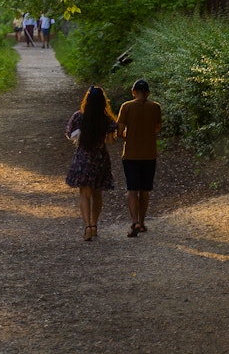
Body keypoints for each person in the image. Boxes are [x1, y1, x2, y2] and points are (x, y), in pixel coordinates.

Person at [65, 85, 118, 241]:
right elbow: (111, 141)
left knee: (84, 194)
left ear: (87, 100)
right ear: (103, 102)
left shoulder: (78, 117)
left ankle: (87, 226)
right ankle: (94, 224)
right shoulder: (106, 119)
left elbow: (69, 134)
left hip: (82, 159)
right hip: (100, 159)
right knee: (97, 194)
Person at [116, 79, 163, 238]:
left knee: (132, 190)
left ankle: (134, 221)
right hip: (150, 154)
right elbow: (157, 128)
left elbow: (120, 131)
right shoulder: (155, 107)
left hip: (131, 154)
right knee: (145, 190)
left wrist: (125, 136)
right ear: (148, 93)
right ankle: (142, 223)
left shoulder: (126, 107)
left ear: (133, 92)